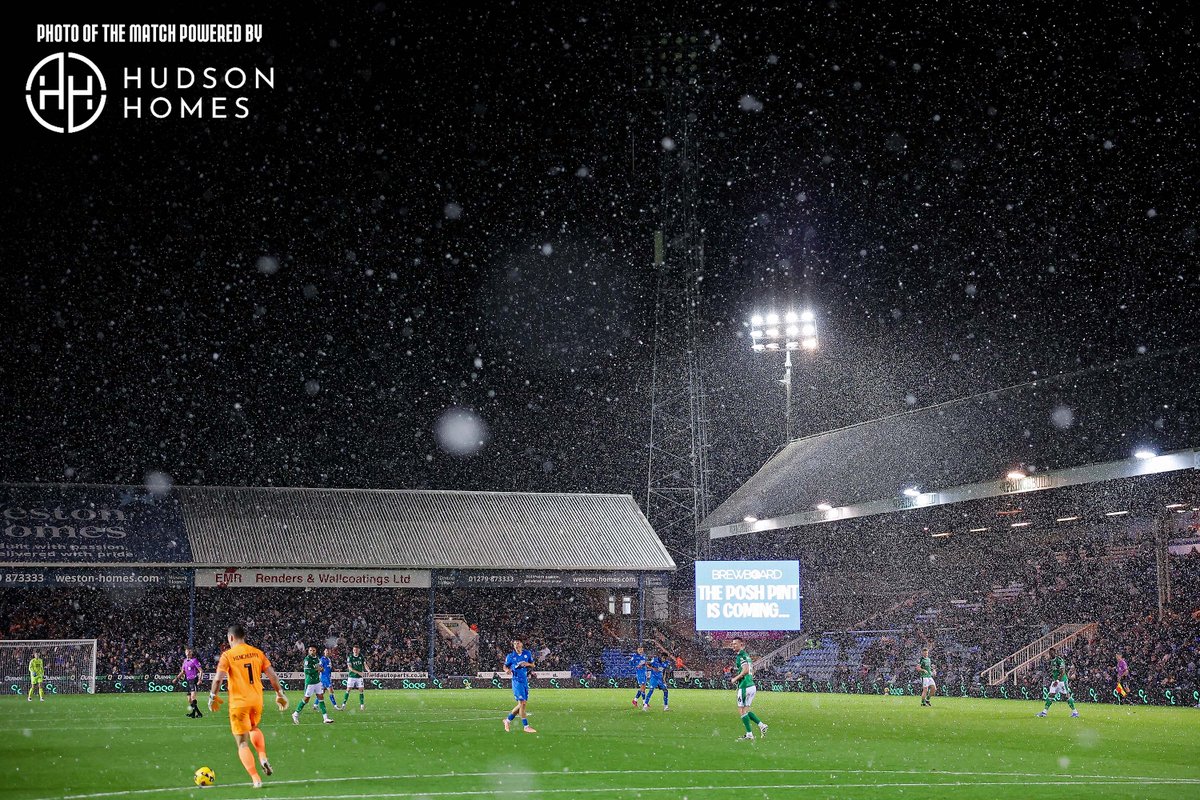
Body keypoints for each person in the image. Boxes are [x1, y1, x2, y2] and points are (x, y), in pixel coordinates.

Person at [208, 624, 289, 789]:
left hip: (239, 703)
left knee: (242, 743)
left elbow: (218, 679)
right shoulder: (257, 652)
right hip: (256, 700)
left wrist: (212, 696)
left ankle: (256, 778)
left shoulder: (228, 655)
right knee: (253, 728)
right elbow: (272, 675)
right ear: (244, 636)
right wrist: (280, 694)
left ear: (231, 638)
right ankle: (263, 756)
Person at [730, 637, 767, 741]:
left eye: (735, 644)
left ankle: (749, 734)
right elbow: (751, 670)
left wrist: (735, 679)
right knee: (745, 710)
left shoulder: (741, 655)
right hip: (751, 686)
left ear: (741, 644)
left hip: (745, 686)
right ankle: (761, 725)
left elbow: (746, 670)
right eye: (732, 644)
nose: (733, 645)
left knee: (741, 711)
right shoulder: (747, 656)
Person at [292, 645, 335, 724]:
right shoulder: (307, 659)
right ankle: (295, 714)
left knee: (321, 698)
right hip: (310, 683)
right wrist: (316, 669)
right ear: (308, 651)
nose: (312, 652)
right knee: (306, 699)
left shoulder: (317, 658)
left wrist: (321, 669)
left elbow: (320, 668)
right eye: (311, 650)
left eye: (313, 650)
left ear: (316, 651)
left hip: (317, 681)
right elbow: (307, 672)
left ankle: (325, 718)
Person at [502, 638, 537, 733]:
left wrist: (528, 664)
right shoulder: (510, 656)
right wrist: (506, 670)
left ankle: (507, 720)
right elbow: (505, 666)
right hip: (516, 681)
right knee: (522, 703)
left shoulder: (527, 653)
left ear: (521, 644)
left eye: (518, 643)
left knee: (522, 704)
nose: (516, 645)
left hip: (524, 681)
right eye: (514, 644)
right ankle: (526, 726)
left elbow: (533, 665)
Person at [1037, 648, 1079, 718]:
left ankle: (1075, 712)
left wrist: (1057, 681)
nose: (1050, 654)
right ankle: (1044, 712)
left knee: (1067, 695)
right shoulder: (1052, 661)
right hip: (1055, 681)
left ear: (1055, 653)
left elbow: (1062, 672)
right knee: (1050, 695)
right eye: (1049, 653)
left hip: (1062, 681)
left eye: (1052, 653)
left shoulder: (1059, 660)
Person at [175, 647, 204, 717]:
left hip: (194, 680)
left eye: (189, 652)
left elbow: (201, 670)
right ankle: (198, 713)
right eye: (186, 652)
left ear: (191, 653)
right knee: (189, 700)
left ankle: (195, 714)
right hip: (188, 681)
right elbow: (182, 672)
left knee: (193, 697)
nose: (187, 653)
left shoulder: (194, 660)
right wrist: (176, 678)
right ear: (185, 653)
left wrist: (200, 679)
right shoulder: (184, 661)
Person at [343, 645, 370, 710]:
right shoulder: (350, 657)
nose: (355, 651)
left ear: (359, 650)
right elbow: (350, 668)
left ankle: (362, 705)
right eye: (354, 649)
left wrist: (368, 670)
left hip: (359, 677)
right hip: (352, 676)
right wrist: (358, 672)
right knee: (348, 689)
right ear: (353, 650)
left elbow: (364, 664)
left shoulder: (361, 656)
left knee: (361, 690)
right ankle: (343, 704)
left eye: (356, 650)